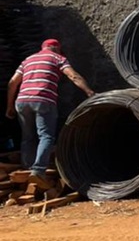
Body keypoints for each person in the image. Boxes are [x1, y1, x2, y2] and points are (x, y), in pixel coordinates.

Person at [5, 39, 94, 187]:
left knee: (28, 137)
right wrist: (90, 92)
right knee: (45, 136)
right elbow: (73, 76)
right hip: (43, 100)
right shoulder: (58, 58)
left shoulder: (28, 60)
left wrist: (9, 106)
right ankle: (38, 171)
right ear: (57, 48)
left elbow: (12, 83)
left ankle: (27, 170)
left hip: (22, 101)